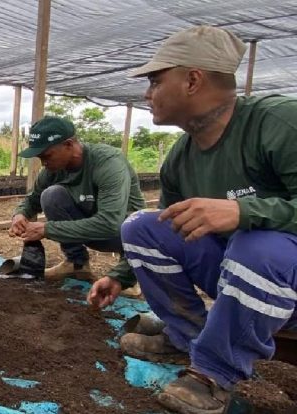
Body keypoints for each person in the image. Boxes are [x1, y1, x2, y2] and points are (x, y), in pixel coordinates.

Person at [87, 25, 297, 414]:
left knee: (258, 243)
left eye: (154, 82)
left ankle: (214, 374)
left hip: (285, 281)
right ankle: (187, 337)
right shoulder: (181, 159)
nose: (147, 94)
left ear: (193, 80)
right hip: (242, 275)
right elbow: (170, 229)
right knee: (143, 226)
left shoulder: (279, 123)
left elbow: (254, 226)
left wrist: (244, 211)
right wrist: (119, 276)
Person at [9, 116, 145, 282]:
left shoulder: (108, 163)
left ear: (69, 144)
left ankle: (131, 274)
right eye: (39, 157)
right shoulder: (53, 170)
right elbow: (32, 200)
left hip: (124, 235)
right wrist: (20, 214)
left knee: (134, 226)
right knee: (51, 195)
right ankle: (76, 263)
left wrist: (47, 229)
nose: (43, 162)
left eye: (47, 155)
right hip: (89, 229)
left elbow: (110, 223)